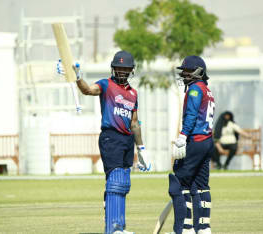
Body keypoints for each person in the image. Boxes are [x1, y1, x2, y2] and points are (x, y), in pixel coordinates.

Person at [58, 51, 151, 234]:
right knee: (115, 181)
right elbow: (87, 90)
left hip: (127, 139)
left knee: (123, 183)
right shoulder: (105, 84)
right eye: (119, 68)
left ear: (131, 70)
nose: (122, 72)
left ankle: (119, 226)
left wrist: (141, 149)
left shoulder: (133, 93)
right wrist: (78, 77)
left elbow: (134, 122)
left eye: (126, 69)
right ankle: (113, 227)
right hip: (111, 137)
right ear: (113, 69)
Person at [170, 55, 215, 234]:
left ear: (198, 71)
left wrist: (182, 135)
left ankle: (186, 227)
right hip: (208, 141)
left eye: (188, 71)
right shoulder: (207, 90)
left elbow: (191, 114)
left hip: (196, 140)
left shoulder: (195, 89)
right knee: (203, 185)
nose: (185, 74)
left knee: (181, 182)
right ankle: (204, 227)